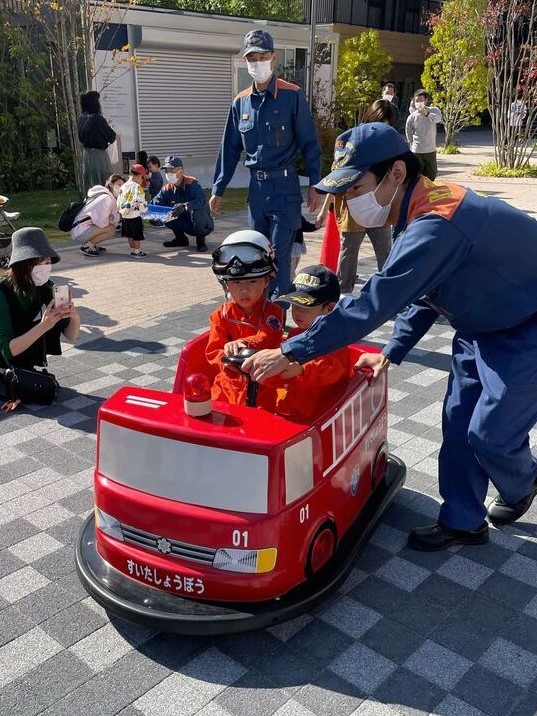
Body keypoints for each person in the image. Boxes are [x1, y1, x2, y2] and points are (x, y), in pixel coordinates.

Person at [244, 122, 537, 551]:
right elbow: (424, 289)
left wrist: (293, 351)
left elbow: (372, 304)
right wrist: (393, 350)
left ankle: (523, 482)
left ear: (396, 173)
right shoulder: (416, 212)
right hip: (480, 325)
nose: (347, 200)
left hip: (526, 326)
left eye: (355, 185)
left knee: (490, 436)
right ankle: (463, 520)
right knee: (458, 427)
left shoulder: (436, 224)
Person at [209, 29, 322, 298]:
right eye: (252, 58)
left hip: (285, 188)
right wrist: (218, 189)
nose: (257, 62)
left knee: (278, 255)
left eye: (262, 56)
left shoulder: (291, 96)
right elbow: (229, 149)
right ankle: (261, 315)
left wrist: (316, 184)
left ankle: (277, 317)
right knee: (256, 254)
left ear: (273, 58)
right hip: (256, 191)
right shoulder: (240, 103)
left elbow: (310, 144)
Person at [316, 99, 396, 295]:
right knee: (349, 251)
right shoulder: (352, 140)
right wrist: (324, 209)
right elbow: (337, 177)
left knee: (386, 251)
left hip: (380, 204)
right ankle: (343, 292)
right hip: (353, 204)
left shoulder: (391, 142)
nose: (382, 128)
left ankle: (390, 292)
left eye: (386, 124)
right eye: (379, 122)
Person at [0, 227, 80, 410]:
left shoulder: (44, 286)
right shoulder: (2, 292)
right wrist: (43, 326)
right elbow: (7, 350)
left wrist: (74, 317)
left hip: (18, 346)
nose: (45, 268)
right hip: (4, 348)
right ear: (21, 264)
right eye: (38, 262)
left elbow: (71, 336)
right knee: (43, 323)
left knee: (52, 319)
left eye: (47, 261)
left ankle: (21, 371)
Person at [207, 230, 284, 406]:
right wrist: (226, 358)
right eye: (236, 283)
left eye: (252, 282)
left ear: (266, 281)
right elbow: (213, 351)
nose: (244, 290)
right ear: (226, 284)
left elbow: (267, 337)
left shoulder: (273, 312)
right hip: (226, 388)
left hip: (263, 383)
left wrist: (241, 344)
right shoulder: (220, 315)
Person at [272, 265, 350, 423]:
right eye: (294, 305)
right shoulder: (295, 335)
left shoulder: (336, 340)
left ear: (328, 308)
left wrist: (302, 370)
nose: (297, 312)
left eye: (304, 306)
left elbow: (330, 369)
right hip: (292, 407)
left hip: (321, 415)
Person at [152, 156, 213, 253]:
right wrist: (144, 209)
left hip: (203, 224)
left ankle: (201, 241)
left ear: (181, 170)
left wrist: (186, 206)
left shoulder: (192, 183)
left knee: (197, 209)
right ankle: (181, 239)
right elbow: (155, 204)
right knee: (166, 212)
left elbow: (201, 200)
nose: (169, 173)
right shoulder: (166, 189)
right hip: (184, 223)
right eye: (167, 170)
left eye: (172, 170)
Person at [74, 174, 125, 257]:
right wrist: (111, 221)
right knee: (111, 229)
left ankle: (92, 243)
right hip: (81, 230)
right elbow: (101, 222)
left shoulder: (109, 197)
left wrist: (112, 219)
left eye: (123, 186)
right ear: (111, 184)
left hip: (81, 228)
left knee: (111, 226)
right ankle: (86, 246)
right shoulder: (106, 198)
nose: (121, 188)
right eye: (119, 185)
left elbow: (115, 218)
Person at [77, 91, 116, 194]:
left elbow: (80, 138)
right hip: (100, 156)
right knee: (106, 183)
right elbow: (111, 137)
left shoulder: (81, 119)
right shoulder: (98, 119)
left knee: (90, 184)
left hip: (87, 156)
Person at [405, 89, 443, 181]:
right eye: (417, 101)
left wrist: (427, 114)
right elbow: (408, 132)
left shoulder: (434, 110)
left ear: (426, 101)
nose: (419, 103)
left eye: (421, 100)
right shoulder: (412, 117)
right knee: (416, 176)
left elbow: (438, 119)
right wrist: (412, 145)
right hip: (417, 150)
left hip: (430, 150)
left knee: (431, 174)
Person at [116, 164, 148, 259]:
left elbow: (118, 200)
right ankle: (137, 251)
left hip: (125, 216)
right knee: (137, 236)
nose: (142, 181)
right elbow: (140, 202)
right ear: (139, 175)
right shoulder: (137, 187)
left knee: (130, 235)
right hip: (135, 216)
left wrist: (120, 211)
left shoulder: (123, 186)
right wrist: (145, 209)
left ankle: (132, 250)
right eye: (142, 178)